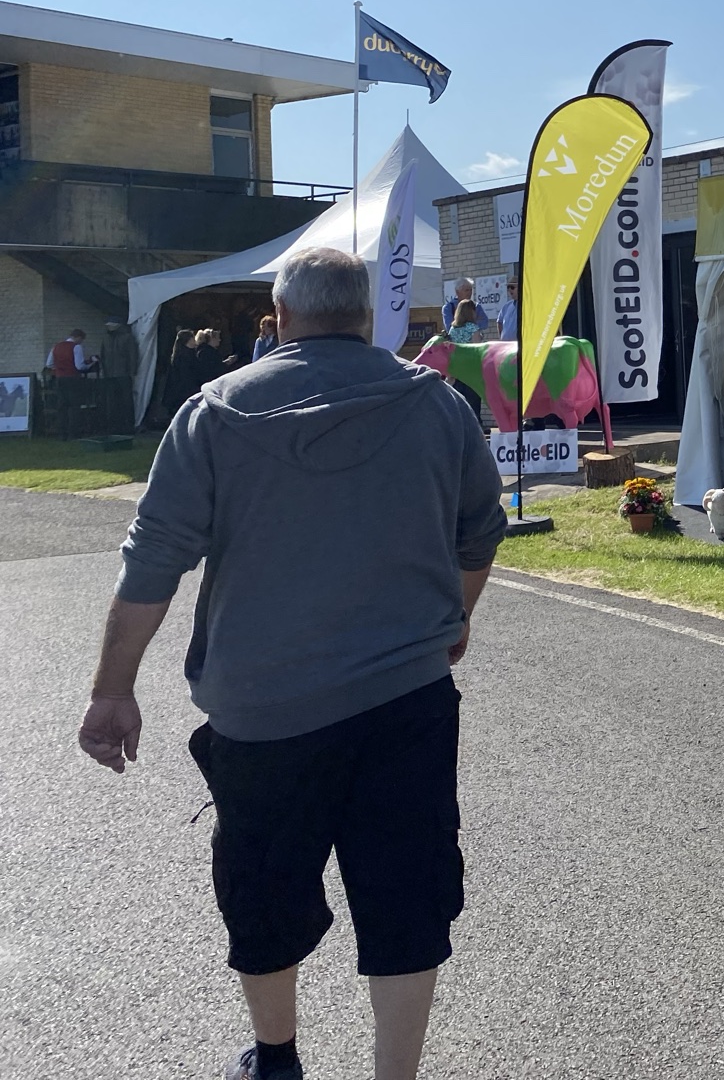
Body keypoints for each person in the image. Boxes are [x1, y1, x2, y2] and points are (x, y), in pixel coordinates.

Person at [77, 246, 506, 1080]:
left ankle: (276, 1060)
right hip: (406, 698)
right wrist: (456, 619)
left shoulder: (213, 412)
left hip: (262, 711)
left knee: (263, 890)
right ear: (367, 318)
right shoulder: (439, 404)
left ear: (278, 321)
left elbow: (152, 561)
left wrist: (113, 689)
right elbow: (480, 532)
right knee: (407, 894)